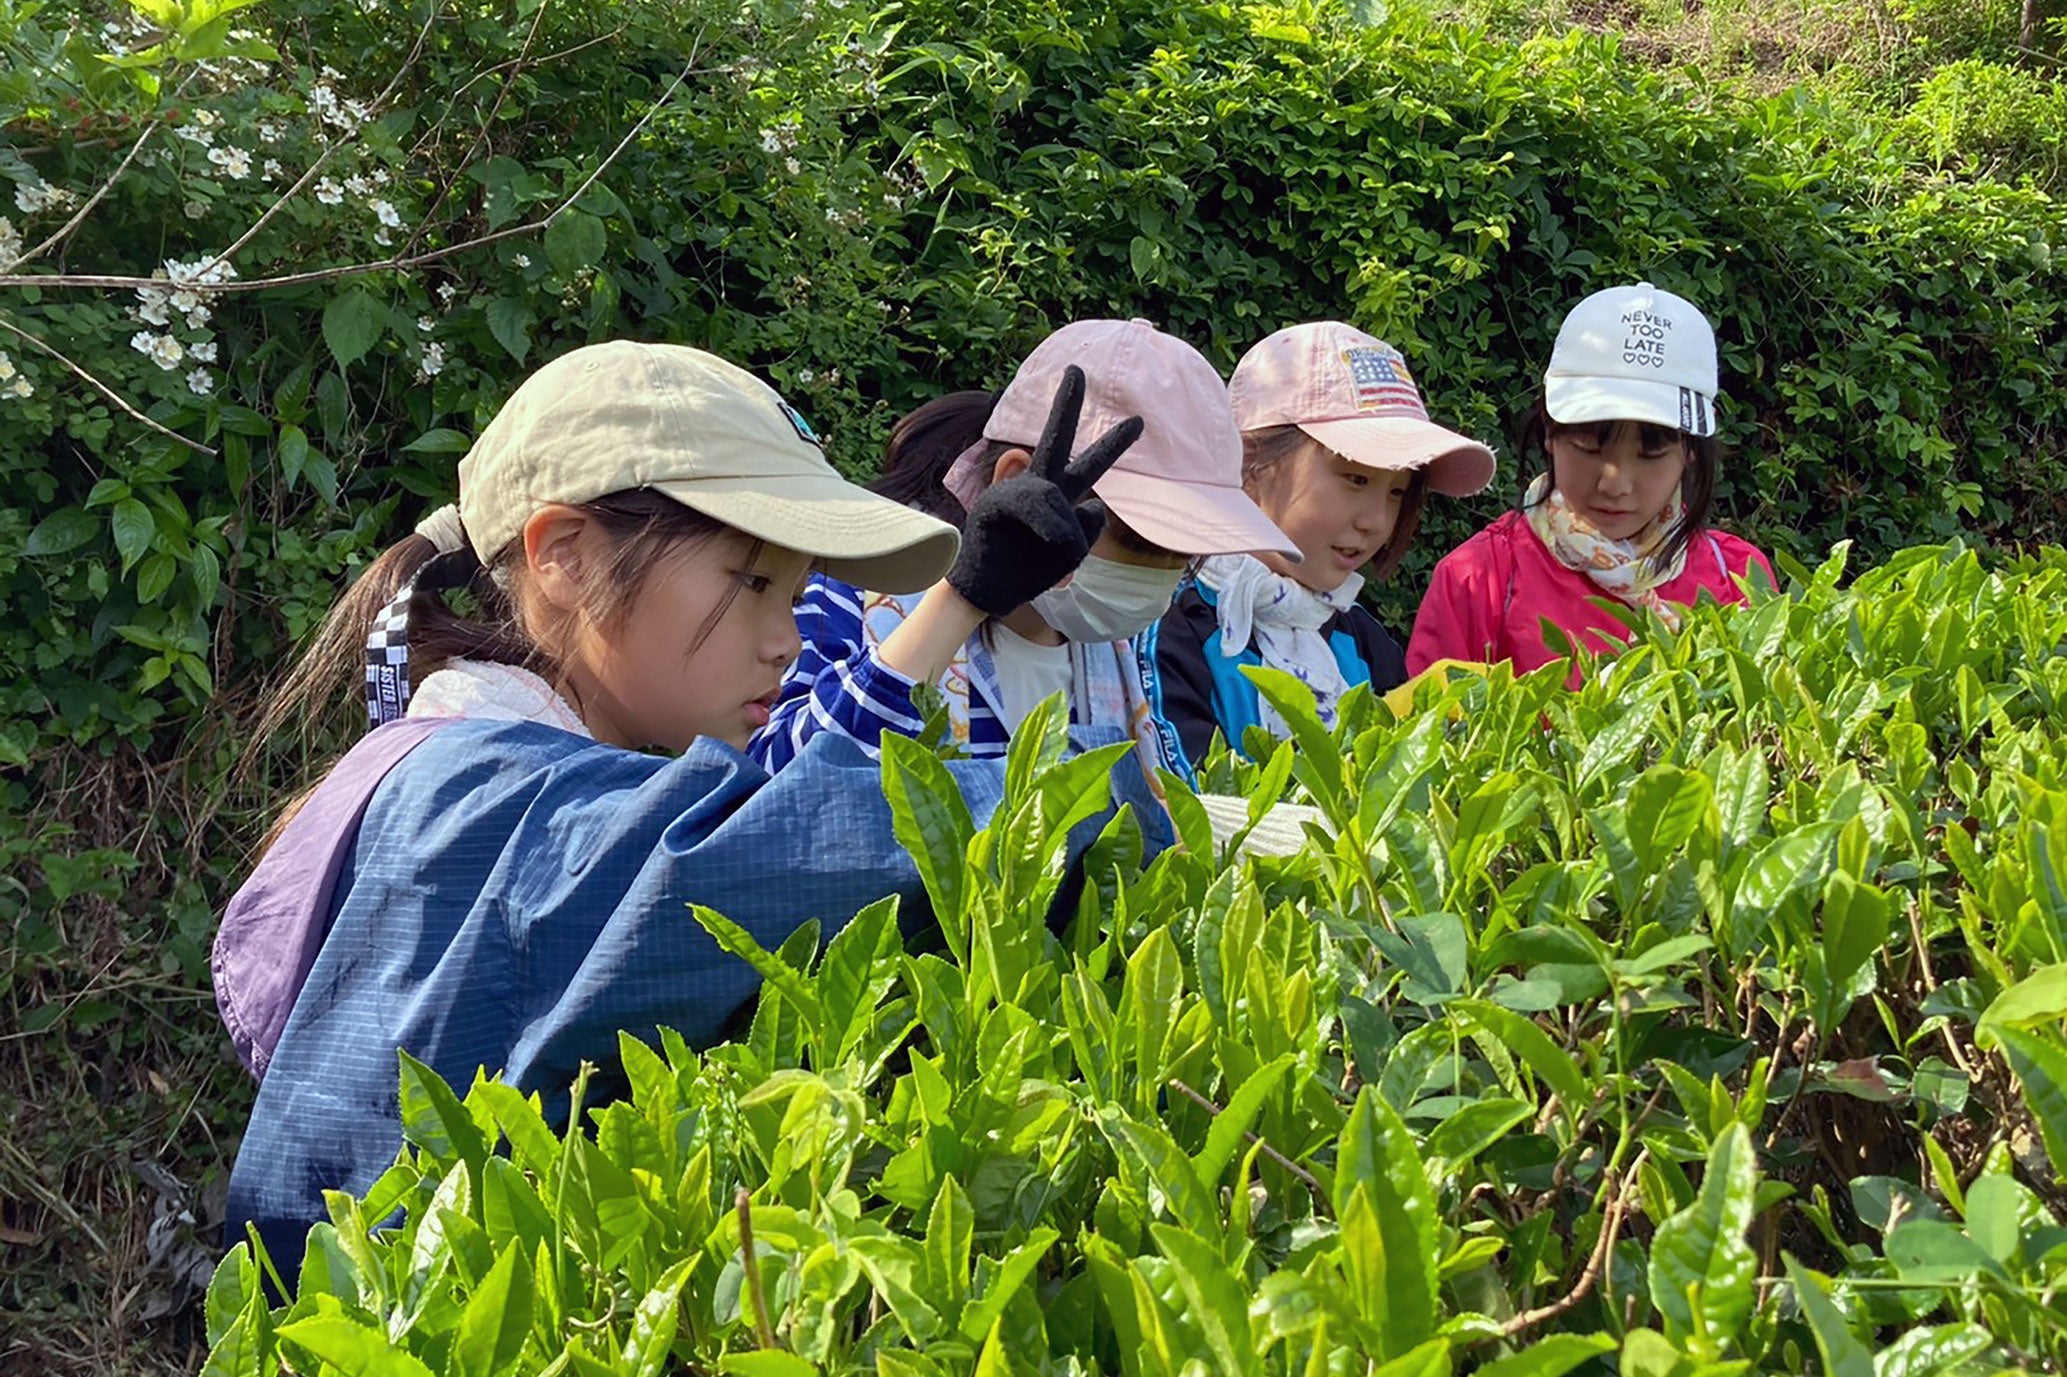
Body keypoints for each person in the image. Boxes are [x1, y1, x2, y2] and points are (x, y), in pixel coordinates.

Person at [212, 341, 1131, 1275]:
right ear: (564, 556)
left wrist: (960, 601)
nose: (786, 641)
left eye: (802, 591)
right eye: (751, 582)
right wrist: (1098, 802)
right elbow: (764, 858)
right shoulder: (484, 797)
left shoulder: (483, 763)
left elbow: (763, 818)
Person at [749, 318, 1298, 776]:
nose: (1161, 573)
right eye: (1140, 539)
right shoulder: (858, 593)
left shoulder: (1109, 654)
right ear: (1015, 482)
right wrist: (958, 602)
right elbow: (770, 798)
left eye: (1186, 551)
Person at [1137, 322, 1494, 776]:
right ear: (1249, 463)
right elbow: (1191, 820)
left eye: (1397, 492)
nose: (1375, 522)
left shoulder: (1363, 642)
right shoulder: (1171, 630)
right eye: (1356, 479)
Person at [1407, 283, 1773, 679]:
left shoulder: (1738, 576)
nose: (1615, 483)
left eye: (1651, 453)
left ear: (1688, 451)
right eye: (1589, 444)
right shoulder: (1479, 580)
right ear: (1550, 431)